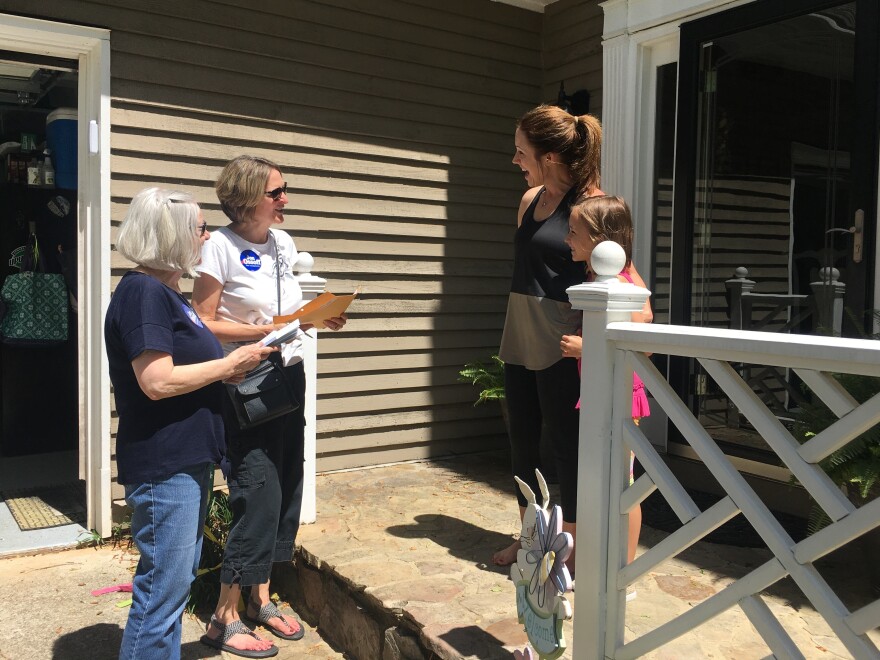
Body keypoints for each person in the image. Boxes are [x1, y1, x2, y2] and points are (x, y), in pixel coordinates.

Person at [105, 187, 274, 660]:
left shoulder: (168, 294)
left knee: (171, 585)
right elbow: (156, 381)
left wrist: (237, 363)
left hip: (185, 461)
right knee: (162, 595)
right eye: (200, 227)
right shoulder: (143, 294)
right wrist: (227, 365)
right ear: (172, 235)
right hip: (165, 465)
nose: (206, 235)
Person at [192, 155, 347, 658]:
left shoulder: (281, 243)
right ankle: (224, 615)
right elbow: (203, 320)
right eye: (275, 192)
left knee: (286, 484)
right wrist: (264, 331)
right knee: (256, 489)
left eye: (284, 190)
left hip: (289, 375)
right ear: (245, 198)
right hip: (246, 382)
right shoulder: (218, 246)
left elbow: (285, 314)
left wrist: (314, 319)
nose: (285, 200)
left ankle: (261, 597)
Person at [493, 104, 647, 573]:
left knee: (566, 450)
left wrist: (603, 342)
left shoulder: (592, 208)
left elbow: (636, 295)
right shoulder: (529, 201)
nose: (515, 160)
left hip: (563, 344)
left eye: (522, 152)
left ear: (550, 158)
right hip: (520, 334)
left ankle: (572, 553)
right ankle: (529, 541)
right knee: (522, 445)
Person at [562, 194, 652, 573]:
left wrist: (588, 347)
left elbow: (643, 328)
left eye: (573, 232)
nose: (567, 239)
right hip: (600, 395)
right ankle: (600, 561)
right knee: (603, 480)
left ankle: (624, 571)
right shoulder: (600, 275)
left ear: (599, 241)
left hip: (619, 398)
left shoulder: (624, 276)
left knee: (622, 485)